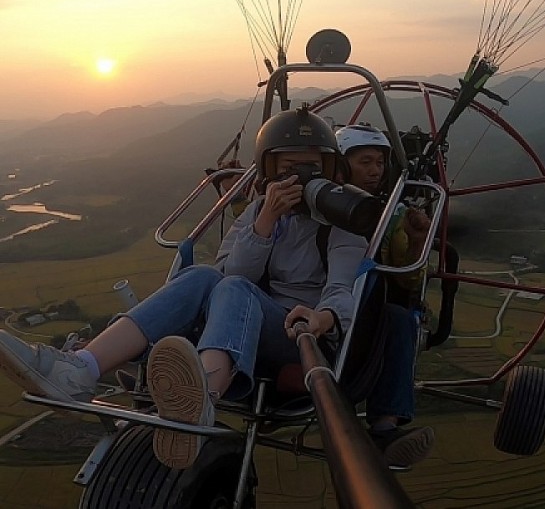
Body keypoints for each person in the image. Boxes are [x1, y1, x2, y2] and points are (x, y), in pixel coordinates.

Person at [0, 107, 366, 470]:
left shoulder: (340, 223)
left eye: (311, 169)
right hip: (240, 323)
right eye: (287, 171)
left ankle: (202, 395)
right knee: (205, 275)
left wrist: (323, 318)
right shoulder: (258, 213)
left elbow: (342, 289)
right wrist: (266, 222)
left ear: (330, 171)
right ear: (268, 173)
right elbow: (230, 273)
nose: (299, 180)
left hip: (296, 333)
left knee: (232, 286)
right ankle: (81, 369)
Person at [335, 124, 435, 467]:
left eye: (379, 162)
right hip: (316, 305)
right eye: (365, 162)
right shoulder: (317, 202)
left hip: (366, 315)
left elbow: (407, 281)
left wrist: (417, 240)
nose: (375, 170)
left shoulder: (392, 215)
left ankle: (385, 426)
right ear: (341, 164)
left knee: (397, 314)